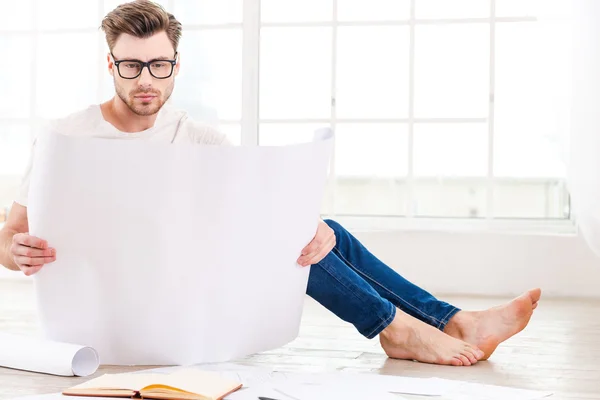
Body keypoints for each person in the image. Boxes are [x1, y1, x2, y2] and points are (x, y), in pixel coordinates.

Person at [0, 0, 541, 367]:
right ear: (110, 64)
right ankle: (410, 327)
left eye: (160, 66)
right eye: (132, 66)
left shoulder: (199, 137)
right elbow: (9, 236)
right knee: (303, 235)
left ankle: (442, 322)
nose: (146, 80)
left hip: (188, 286)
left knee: (323, 232)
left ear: (177, 65)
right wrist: (15, 251)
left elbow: (253, 211)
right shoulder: (65, 137)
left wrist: (311, 229)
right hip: (116, 292)